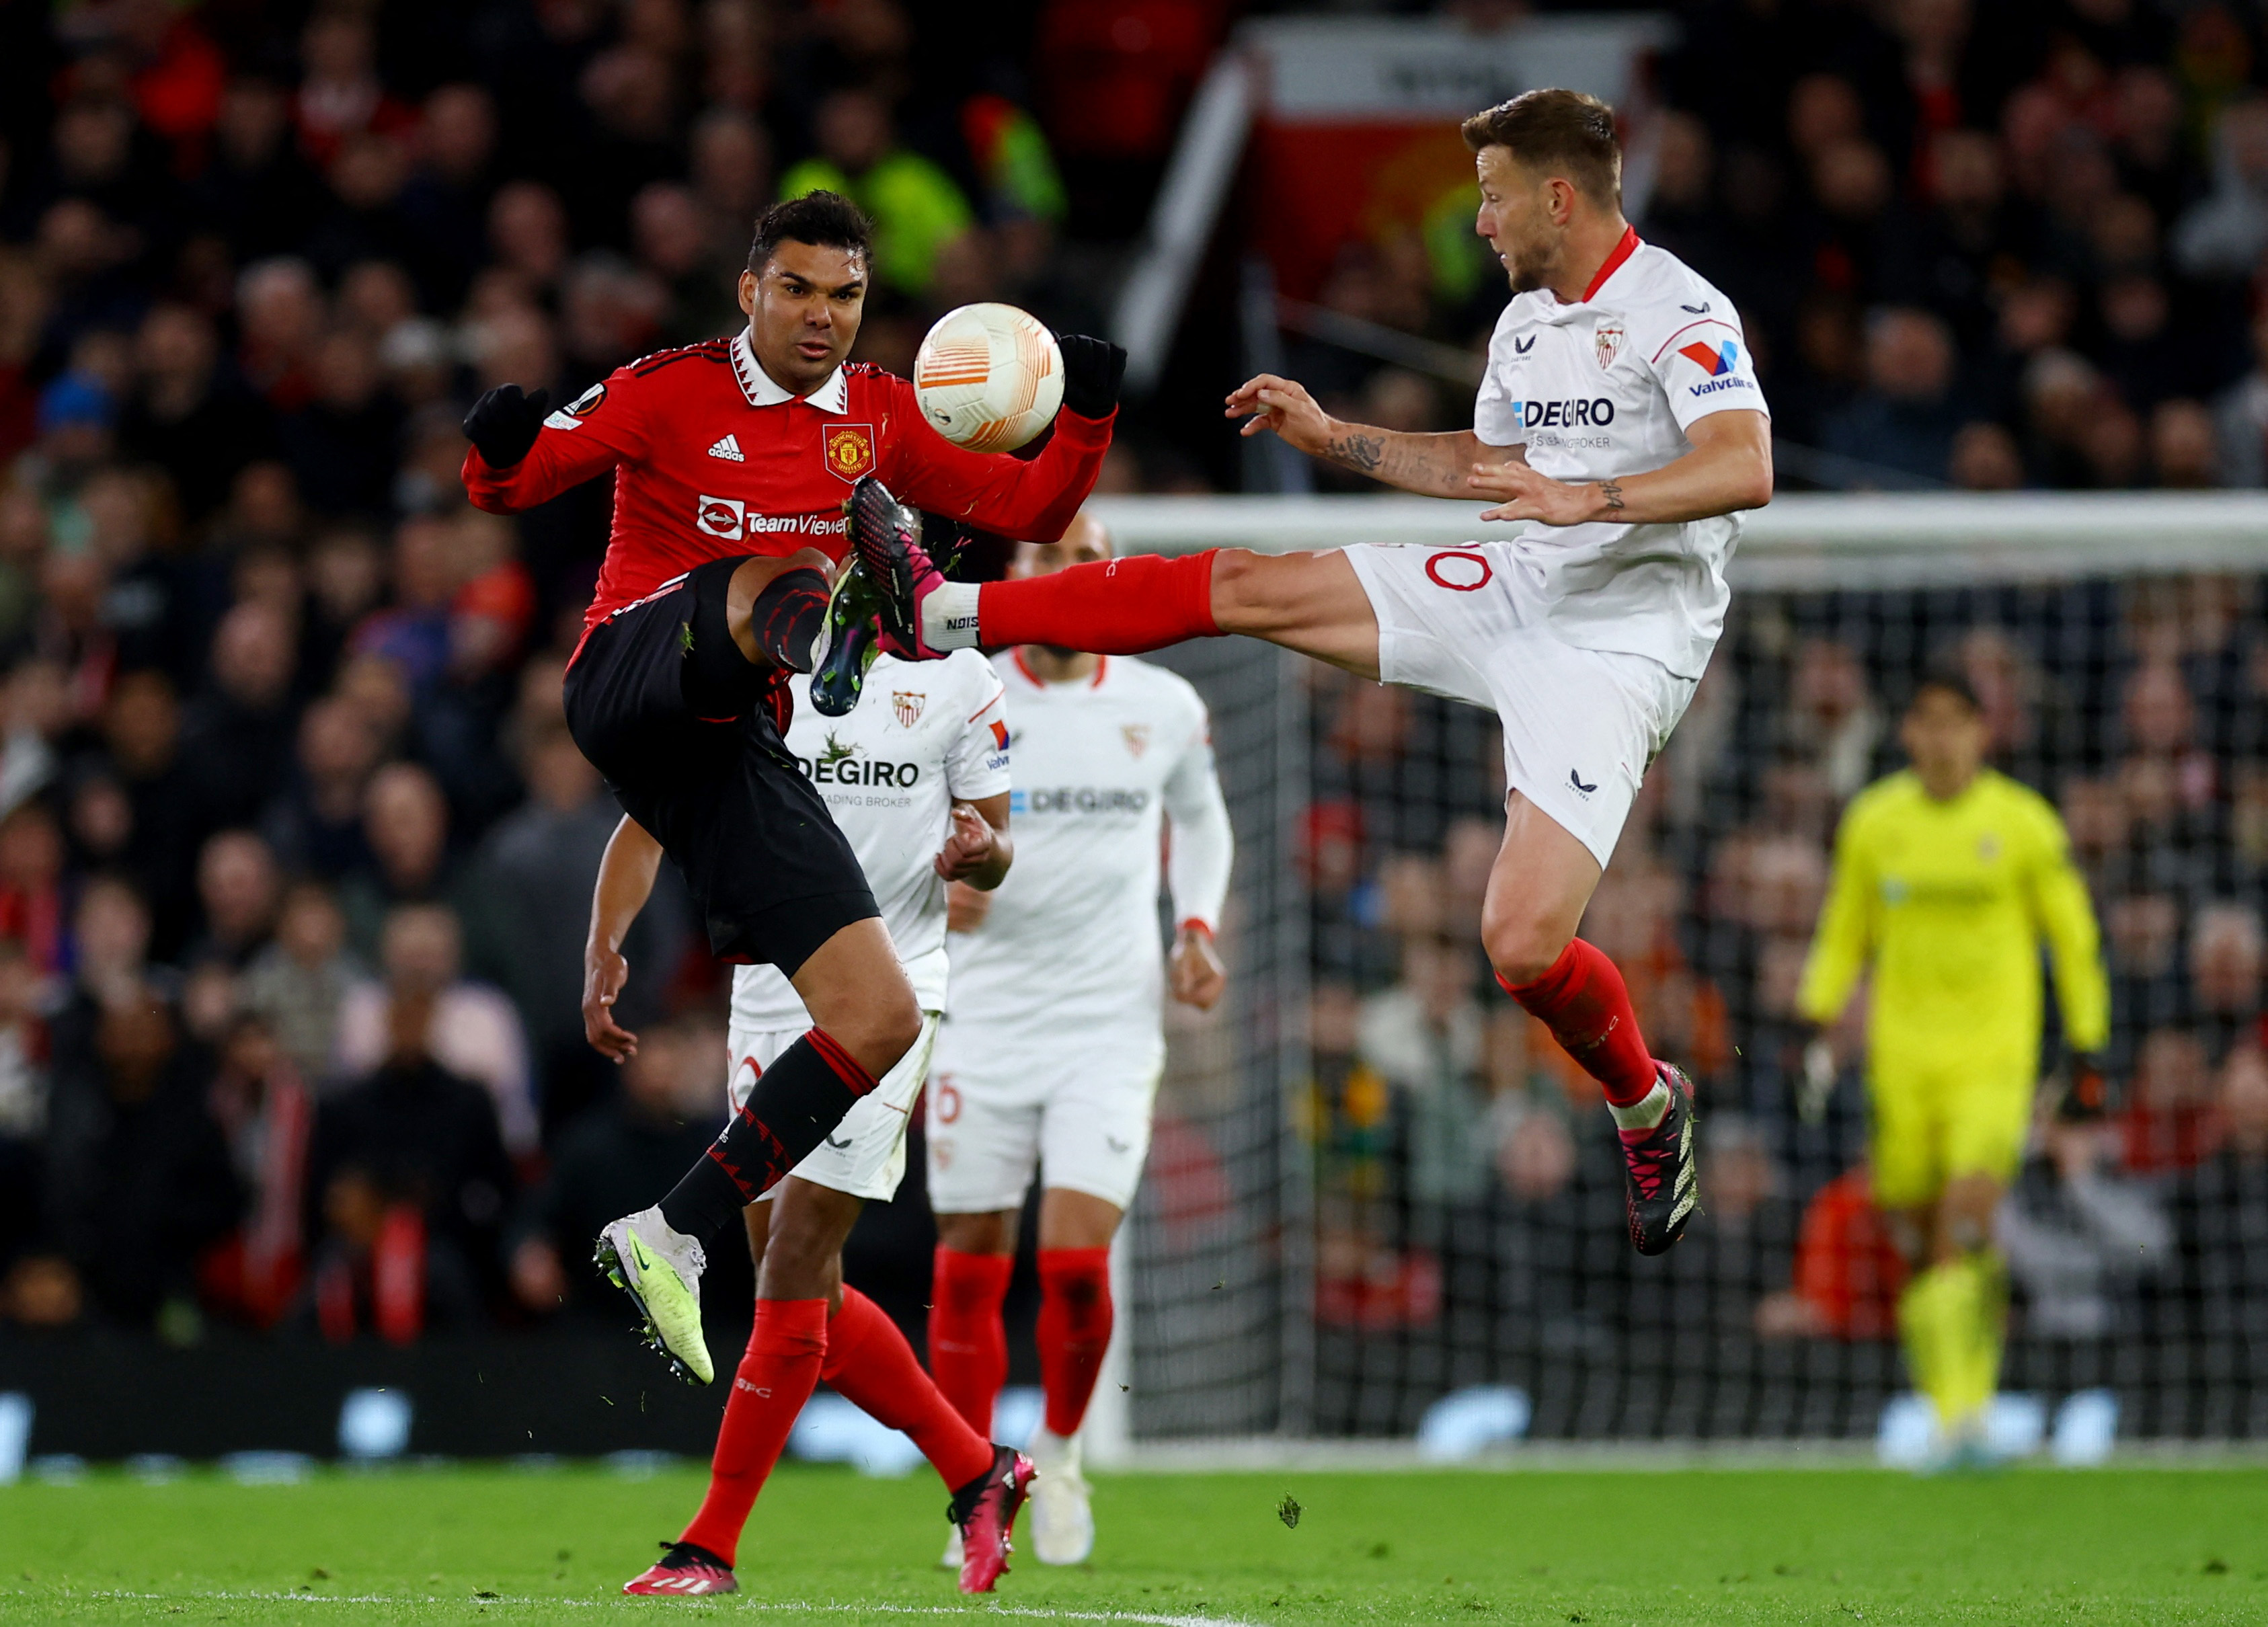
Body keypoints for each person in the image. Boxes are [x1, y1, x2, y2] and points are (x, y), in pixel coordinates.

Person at [854, 89, 1770, 1256]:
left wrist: (1588, 497)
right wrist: (1333, 437)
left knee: (1522, 946)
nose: (1479, 225)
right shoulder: (1527, 323)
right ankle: (947, 611)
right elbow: (1489, 465)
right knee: (1245, 584)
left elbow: (1743, 464)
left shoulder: (1678, 308)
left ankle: (1647, 1103)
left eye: (1492, 200)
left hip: (1618, 643)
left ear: (1556, 195)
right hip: (1519, 584)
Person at [460, 190, 1120, 1399]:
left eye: (848, 295)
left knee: (878, 1020)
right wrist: (497, 448)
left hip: (729, 744)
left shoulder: (881, 414)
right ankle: (836, 638)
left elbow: (1034, 509)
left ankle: (669, 1231)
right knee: (776, 573)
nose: (825, 316)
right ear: (750, 292)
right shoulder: (667, 387)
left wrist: (1083, 413)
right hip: (629, 672)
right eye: (801, 289)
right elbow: (516, 485)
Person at [584, 632, 1028, 1595]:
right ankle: (978, 1470)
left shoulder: (958, 679)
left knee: (791, 1264)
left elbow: (996, 847)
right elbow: (650, 819)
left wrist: (976, 848)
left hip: (888, 999)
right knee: (807, 1296)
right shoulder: (763, 667)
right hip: (769, 995)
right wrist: (604, 944)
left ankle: (709, 1546)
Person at [924, 513, 1231, 1569]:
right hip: (981, 1013)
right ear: (1011, 574)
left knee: (1071, 1260)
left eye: (1086, 560)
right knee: (968, 1262)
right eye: (1049, 557)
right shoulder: (963, 693)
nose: (1068, 573)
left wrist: (1196, 927)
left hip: (1109, 1019)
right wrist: (932, 876)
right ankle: (973, 1487)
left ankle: (1056, 1458)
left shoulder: (1164, 703)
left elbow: (1202, 819)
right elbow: (895, 820)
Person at [1796, 671, 2110, 1468]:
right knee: (1916, 1235)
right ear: (1906, 732)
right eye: (1925, 721)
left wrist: (2088, 1042)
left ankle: (1966, 1414)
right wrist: (1811, 1015)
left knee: (1964, 1218)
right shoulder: (1875, 822)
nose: (1940, 739)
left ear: (1982, 731)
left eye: (1956, 722)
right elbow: (1844, 928)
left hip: (1991, 1060)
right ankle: (1952, 1410)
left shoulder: (2021, 822)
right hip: (1900, 1062)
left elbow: (2070, 936)